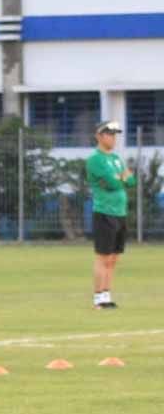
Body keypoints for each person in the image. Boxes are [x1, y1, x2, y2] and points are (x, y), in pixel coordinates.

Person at [86, 120, 136, 309]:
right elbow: (114, 183)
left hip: (120, 212)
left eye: (114, 134)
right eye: (109, 134)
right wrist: (121, 178)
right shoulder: (95, 159)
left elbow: (131, 181)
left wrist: (121, 178)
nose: (113, 138)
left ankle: (107, 294)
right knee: (103, 257)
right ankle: (98, 298)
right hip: (104, 212)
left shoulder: (116, 158)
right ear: (99, 136)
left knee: (114, 258)